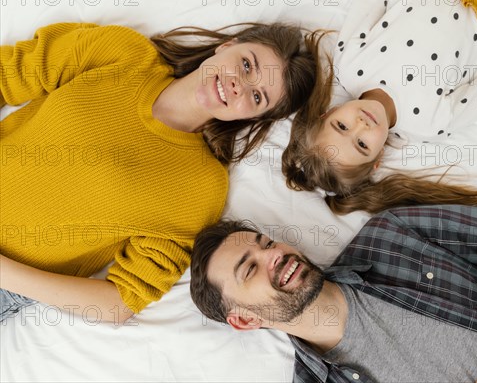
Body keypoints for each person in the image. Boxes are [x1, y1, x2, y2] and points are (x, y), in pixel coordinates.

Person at [0, 21, 326, 323]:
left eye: (257, 96)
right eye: (246, 64)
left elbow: (119, 302)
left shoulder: (201, 188)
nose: (238, 85)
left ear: (254, 117)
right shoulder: (124, 52)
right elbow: (7, 74)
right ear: (227, 46)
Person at [190, 205, 477, 382]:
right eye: (250, 268)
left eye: (265, 244)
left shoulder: (393, 238)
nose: (274, 256)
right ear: (245, 320)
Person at [282, 0, 477, 215]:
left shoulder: (350, 66)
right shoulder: (428, 123)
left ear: (329, 112)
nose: (360, 124)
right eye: (361, 144)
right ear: (377, 159)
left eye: (341, 127)